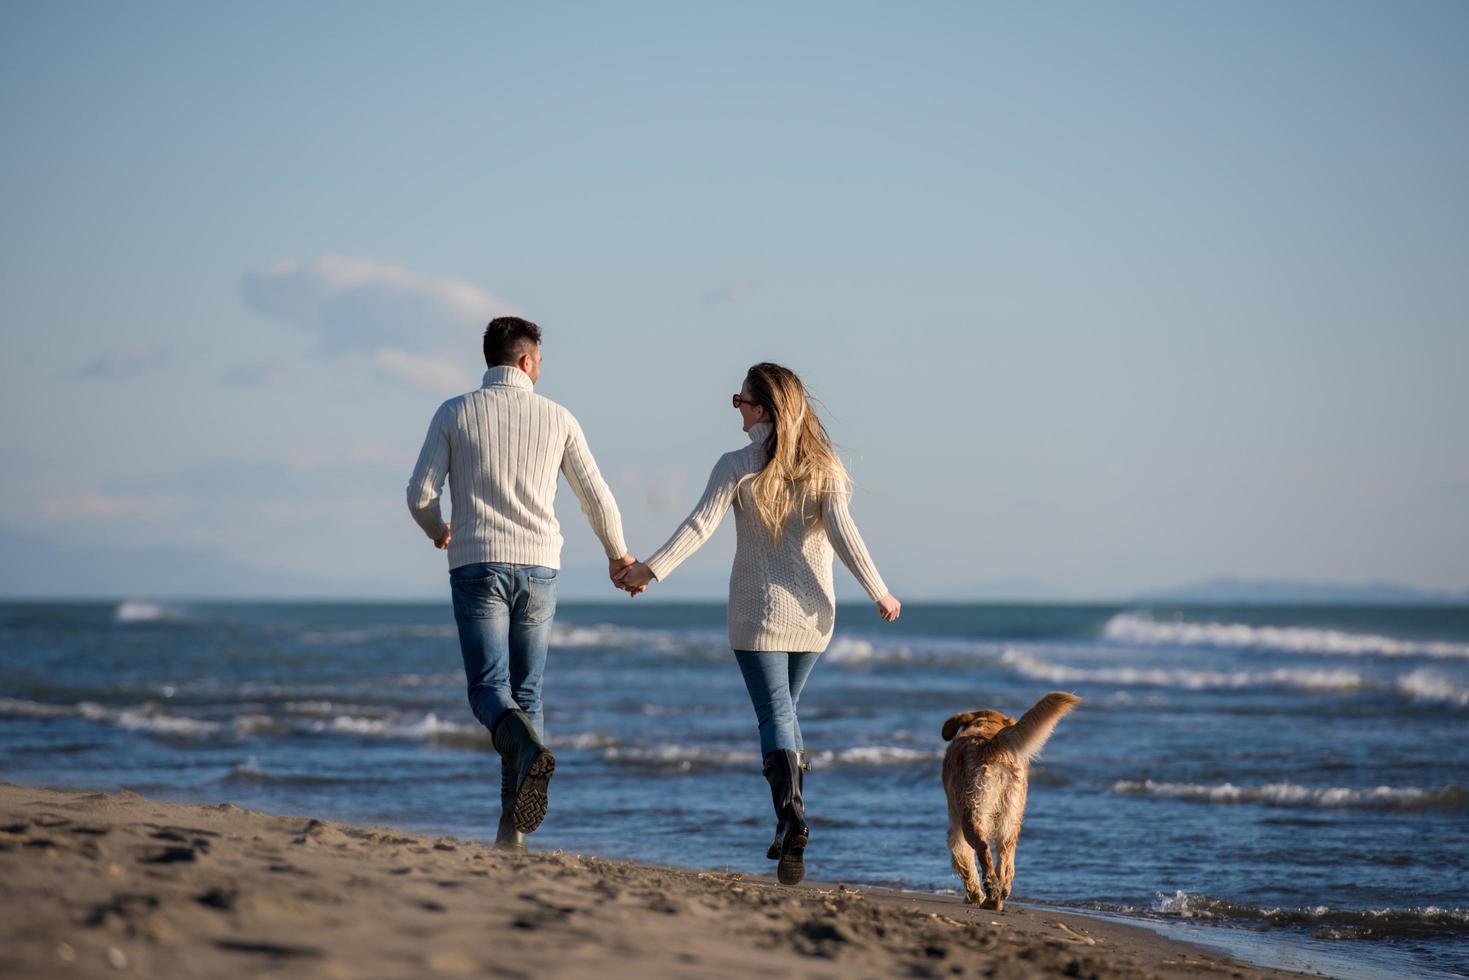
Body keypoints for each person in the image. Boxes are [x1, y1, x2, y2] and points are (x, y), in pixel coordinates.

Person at [615, 362, 900, 884]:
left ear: (763, 408)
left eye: (740, 401)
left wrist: (647, 572)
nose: (737, 410)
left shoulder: (737, 465)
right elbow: (845, 533)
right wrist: (878, 590)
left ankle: (791, 819)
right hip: (816, 618)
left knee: (775, 716)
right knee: (785, 715)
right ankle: (787, 823)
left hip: (758, 615)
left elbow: (698, 526)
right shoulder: (824, 466)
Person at [407, 316, 638, 849]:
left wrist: (438, 530)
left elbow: (420, 493)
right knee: (527, 694)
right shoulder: (558, 417)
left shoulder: (454, 412)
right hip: (540, 568)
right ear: (528, 361)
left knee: (489, 690)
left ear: (490, 358)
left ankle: (518, 798)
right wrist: (617, 555)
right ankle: (512, 834)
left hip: (476, 563)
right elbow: (596, 496)